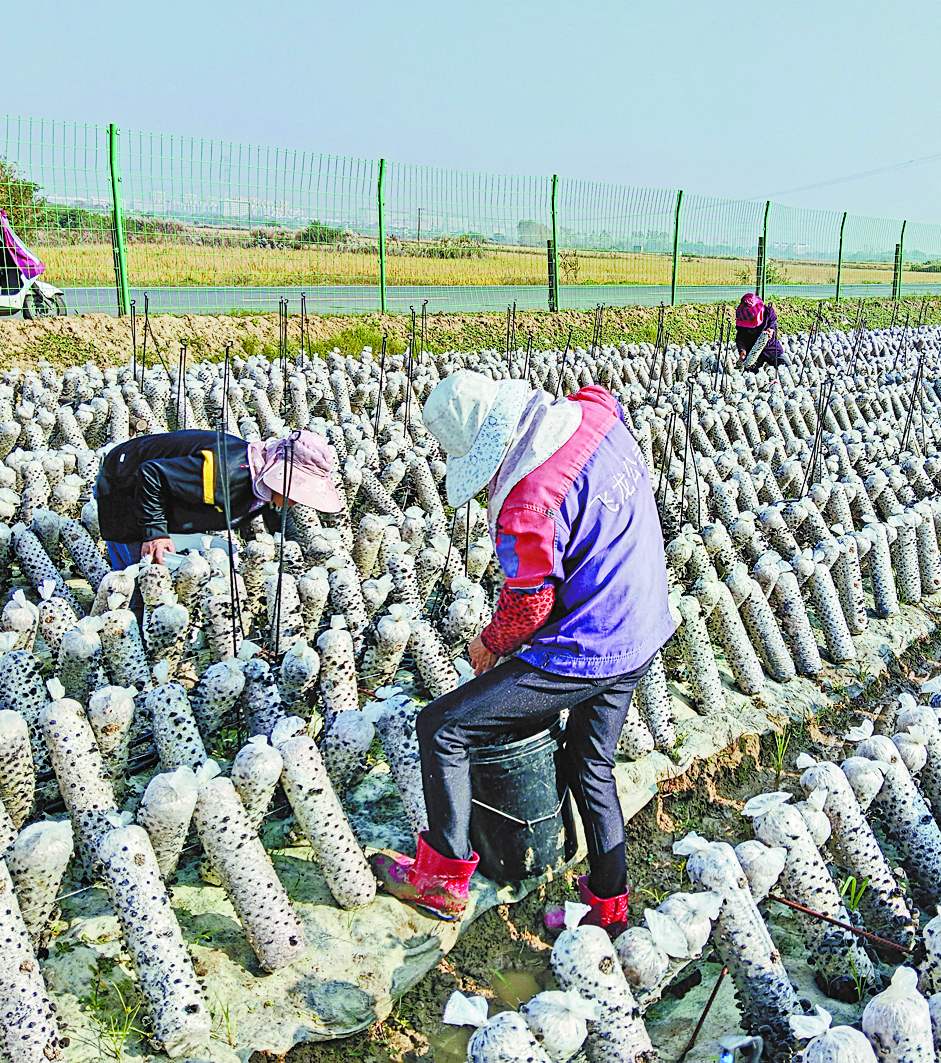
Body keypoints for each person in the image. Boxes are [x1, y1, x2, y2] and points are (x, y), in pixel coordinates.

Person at [371, 370, 675, 935]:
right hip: (642, 618)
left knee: (441, 726)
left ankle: (441, 880)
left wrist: (489, 645)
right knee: (593, 763)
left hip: (588, 642)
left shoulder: (528, 505)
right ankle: (609, 909)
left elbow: (529, 607)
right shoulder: (598, 410)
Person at [93, 428, 343, 570]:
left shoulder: (261, 482)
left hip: (155, 495)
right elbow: (152, 475)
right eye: (295, 491)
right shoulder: (225, 474)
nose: (297, 500)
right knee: (141, 573)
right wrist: (155, 533)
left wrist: (290, 549)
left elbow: (275, 514)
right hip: (124, 485)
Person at [736, 293, 785, 371]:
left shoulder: (768, 312)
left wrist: (771, 330)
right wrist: (742, 349)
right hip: (753, 352)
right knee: (750, 373)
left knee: (784, 368)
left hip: (771, 348)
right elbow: (740, 337)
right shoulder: (742, 316)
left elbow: (773, 323)